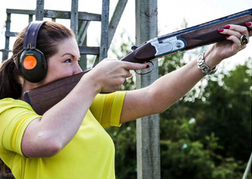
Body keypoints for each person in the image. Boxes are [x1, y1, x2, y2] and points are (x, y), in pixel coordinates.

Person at [0, 20, 251, 179]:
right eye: (68, 61)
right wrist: (93, 80)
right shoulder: (7, 112)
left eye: (78, 61)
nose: (78, 71)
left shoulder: (80, 105)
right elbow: (47, 139)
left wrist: (210, 58)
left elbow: (153, 98)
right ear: (31, 66)